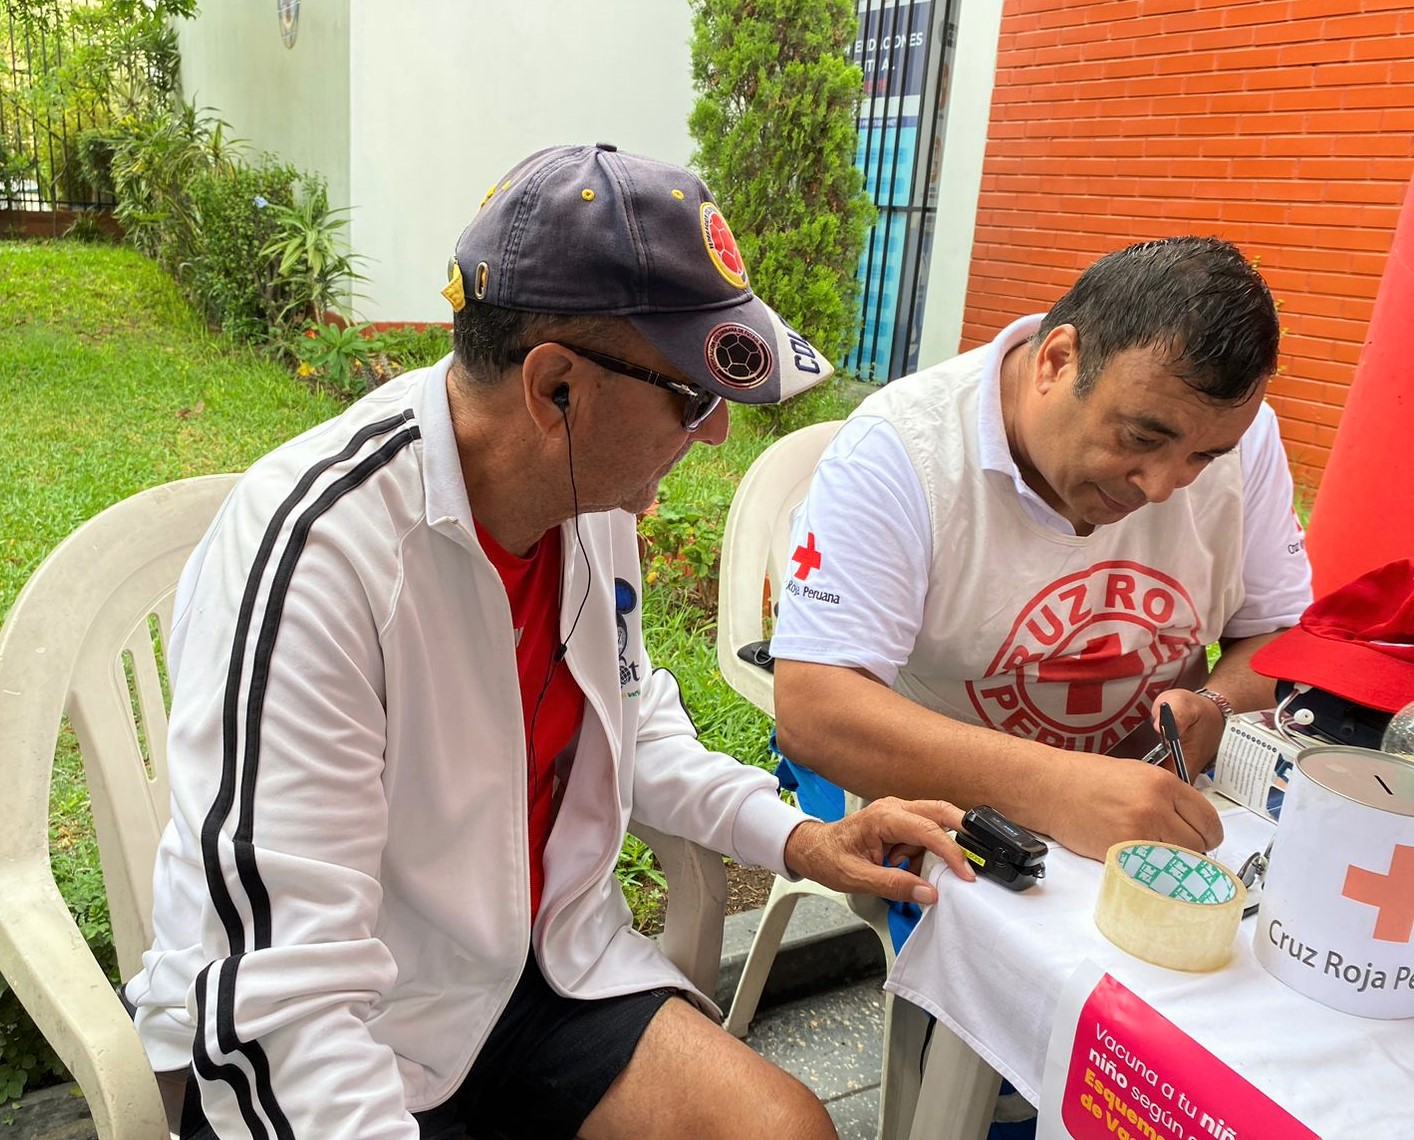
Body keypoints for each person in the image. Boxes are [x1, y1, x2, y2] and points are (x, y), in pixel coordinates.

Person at [121, 143, 977, 1140]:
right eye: (691, 395)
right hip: (343, 1021)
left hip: (531, 971)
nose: (712, 436)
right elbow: (283, 1004)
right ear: (555, 387)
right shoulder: (323, 554)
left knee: (783, 1128)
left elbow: (632, 716)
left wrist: (798, 837)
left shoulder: (588, 499)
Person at [770, 236, 1313, 863]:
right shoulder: (902, 449)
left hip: (1166, 805)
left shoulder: (1245, 440)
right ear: (1057, 361)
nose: (1163, 487)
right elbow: (815, 710)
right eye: (1140, 437)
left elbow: (1281, 634)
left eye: (1203, 458)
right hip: (967, 819)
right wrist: (1056, 786)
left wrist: (1218, 708)